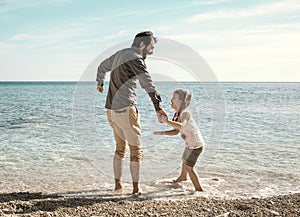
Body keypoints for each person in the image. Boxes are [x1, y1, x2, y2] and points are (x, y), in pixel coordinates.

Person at [96, 31, 167, 195]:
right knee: (136, 151)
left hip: (111, 111)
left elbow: (101, 66)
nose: (152, 51)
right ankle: (136, 189)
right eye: (151, 47)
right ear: (142, 45)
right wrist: (158, 107)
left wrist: (100, 82)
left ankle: (118, 186)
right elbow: (148, 84)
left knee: (120, 149)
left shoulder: (120, 54)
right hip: (126, 110)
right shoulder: (136, 59)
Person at [153, 89, 204, 191]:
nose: (171, 100)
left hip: (196, 145)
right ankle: (182, 177)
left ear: (180, 101)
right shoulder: (176, 114)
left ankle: (199, 190)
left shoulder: (185, 113)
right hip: (190, 144)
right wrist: (163, 133)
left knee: (190, 167)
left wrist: (167, 121)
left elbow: (181, 126)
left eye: (174, 98)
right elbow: (176, 131)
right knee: (184, 160)